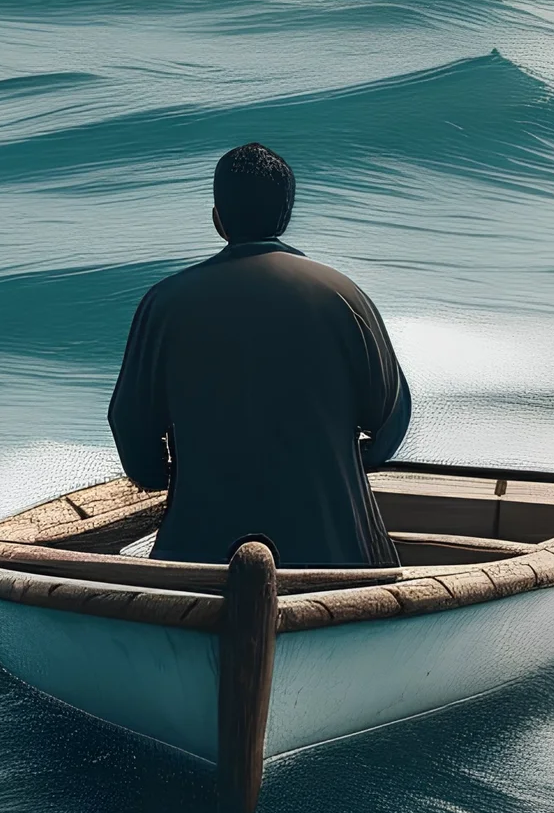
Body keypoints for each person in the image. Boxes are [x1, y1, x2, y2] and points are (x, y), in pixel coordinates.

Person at [108, 142, 411, 567]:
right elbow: (391, 420)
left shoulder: (165, 303)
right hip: (336, 551)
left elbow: (130, 425)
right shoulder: (343, 296)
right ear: (286, 216)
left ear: (217, 218)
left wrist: (161, 475)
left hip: (196, 554)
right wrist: (358, 459)